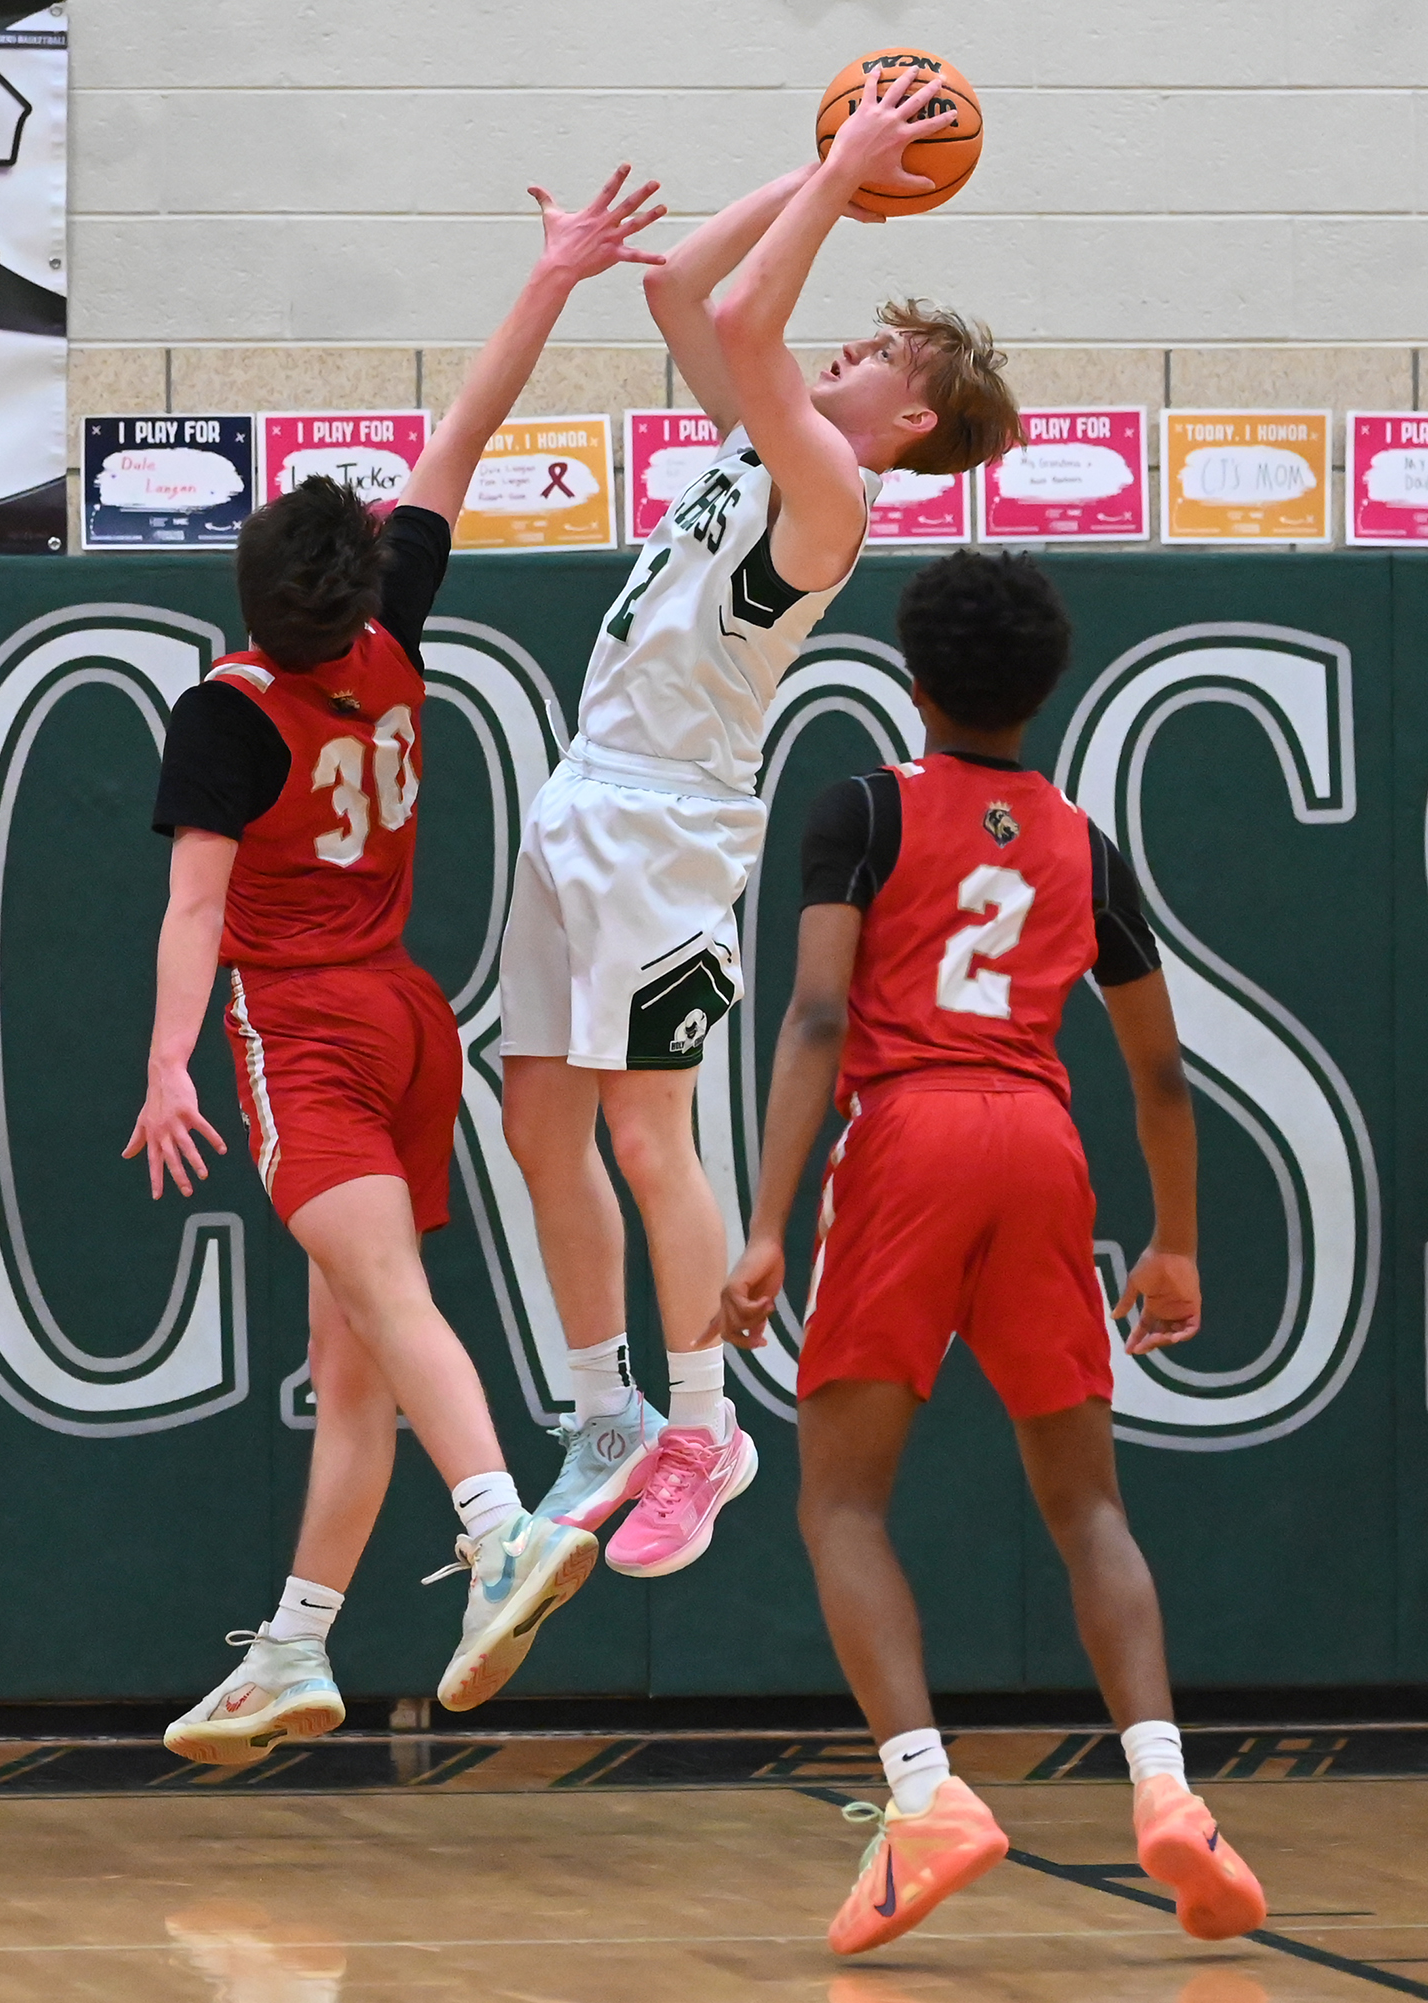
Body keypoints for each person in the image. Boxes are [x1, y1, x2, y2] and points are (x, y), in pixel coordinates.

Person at [126, 170, 669, 1761]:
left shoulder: (229, 707)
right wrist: (556, 274)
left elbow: (191, 913)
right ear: (361, 578)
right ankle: (298, 1647)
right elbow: (465, 434)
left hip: (305, 1035)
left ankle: (502, 1524)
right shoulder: (395, 629)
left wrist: (167, 1062)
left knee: (393, 1308)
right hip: (418, 1020)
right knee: (343, 1352)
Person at [497, 70, 1020, 1576]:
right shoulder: (774, 429)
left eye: (881, 349)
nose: (845, 339)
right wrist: (827, 179)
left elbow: (744, 325)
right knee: (541, 1124)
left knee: (644, 1132)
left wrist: (843, 178)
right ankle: (602, 1416)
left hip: (670, 828)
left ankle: (707, 1424)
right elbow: (682, 290)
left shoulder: (833, 490)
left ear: (910, 415)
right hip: (584, 788)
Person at [717, 552, 1266, 1955]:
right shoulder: (1086, 841)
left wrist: (771, 1219)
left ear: (912, 677)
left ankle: (924, 1794)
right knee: (1090, 1508)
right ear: (1045, 687)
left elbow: (818, 1020)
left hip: (908, 1139)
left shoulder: (861, 807)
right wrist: (1181, 1243)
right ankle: (1168, 1789)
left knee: (841, 1504)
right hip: (1039, 1138)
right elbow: (1160, 1075)